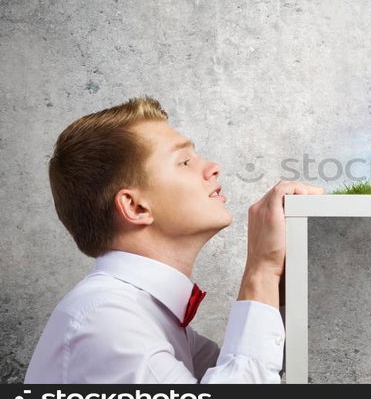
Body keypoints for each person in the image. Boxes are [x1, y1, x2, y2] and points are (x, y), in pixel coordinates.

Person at [24, 95, 322, 383]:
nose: (212, 167)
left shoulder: (145, 317)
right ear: (136, 207)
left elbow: (244, 372)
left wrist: (282, 287)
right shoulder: (107, 321)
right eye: (184, 161)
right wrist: (261, 271)